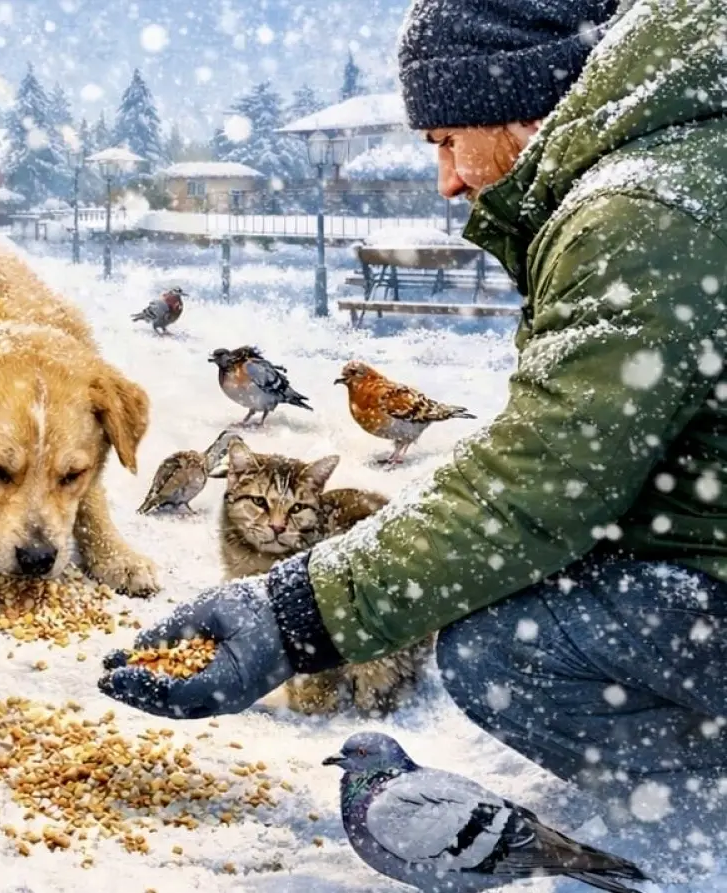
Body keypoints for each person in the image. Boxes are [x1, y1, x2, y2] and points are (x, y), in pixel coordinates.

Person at [101, 0, 727, 839]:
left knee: (499, 643)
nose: (448, 180)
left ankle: (695, 824)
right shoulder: (669, 167)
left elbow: (536, 487)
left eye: (445, 141)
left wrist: (294, 615)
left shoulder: (638, 216)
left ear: (520, 105)